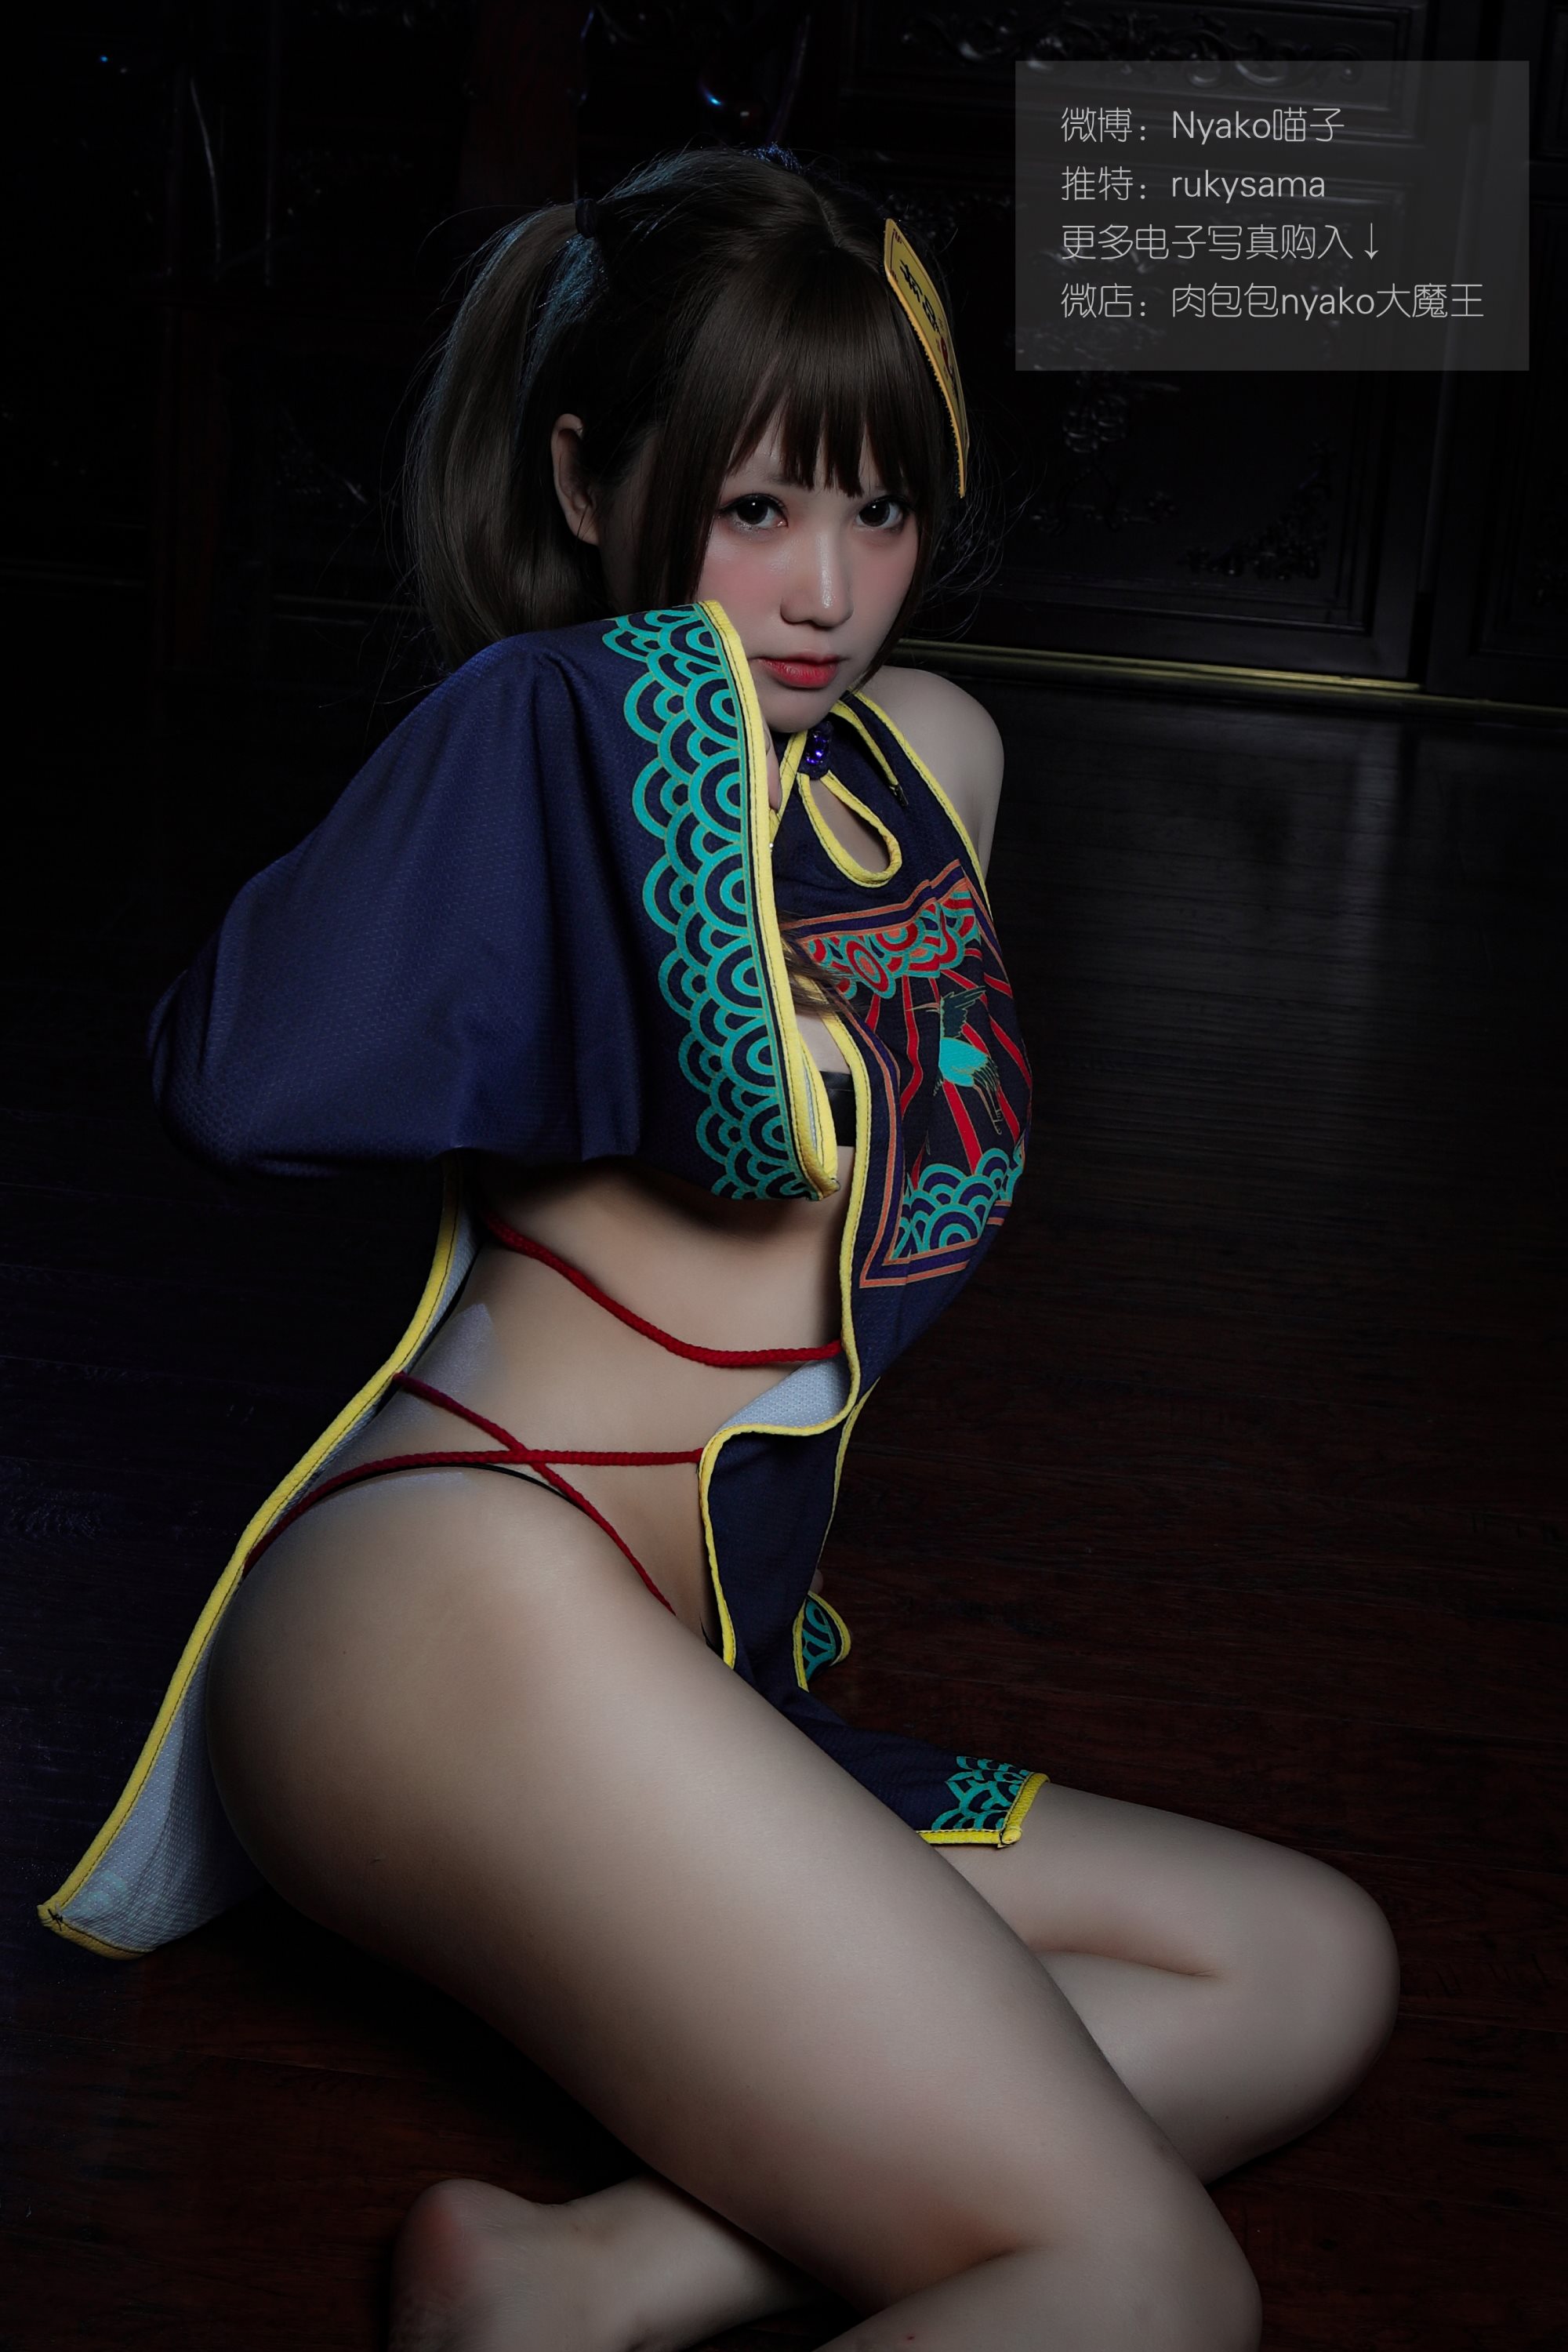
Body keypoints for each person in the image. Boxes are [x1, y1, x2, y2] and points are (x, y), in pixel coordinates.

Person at [42, 148, 1399, 2351]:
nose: (828, 590)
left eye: (881, 507)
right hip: (448, 1606)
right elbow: (235, 1075)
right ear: (591, 482)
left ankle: (587, 2277)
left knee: (1308, 1965)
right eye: (755, 509)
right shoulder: (560, 736)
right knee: (1152, 2288)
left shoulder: (930, 764)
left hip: (690, 1668)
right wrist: (560, 703)